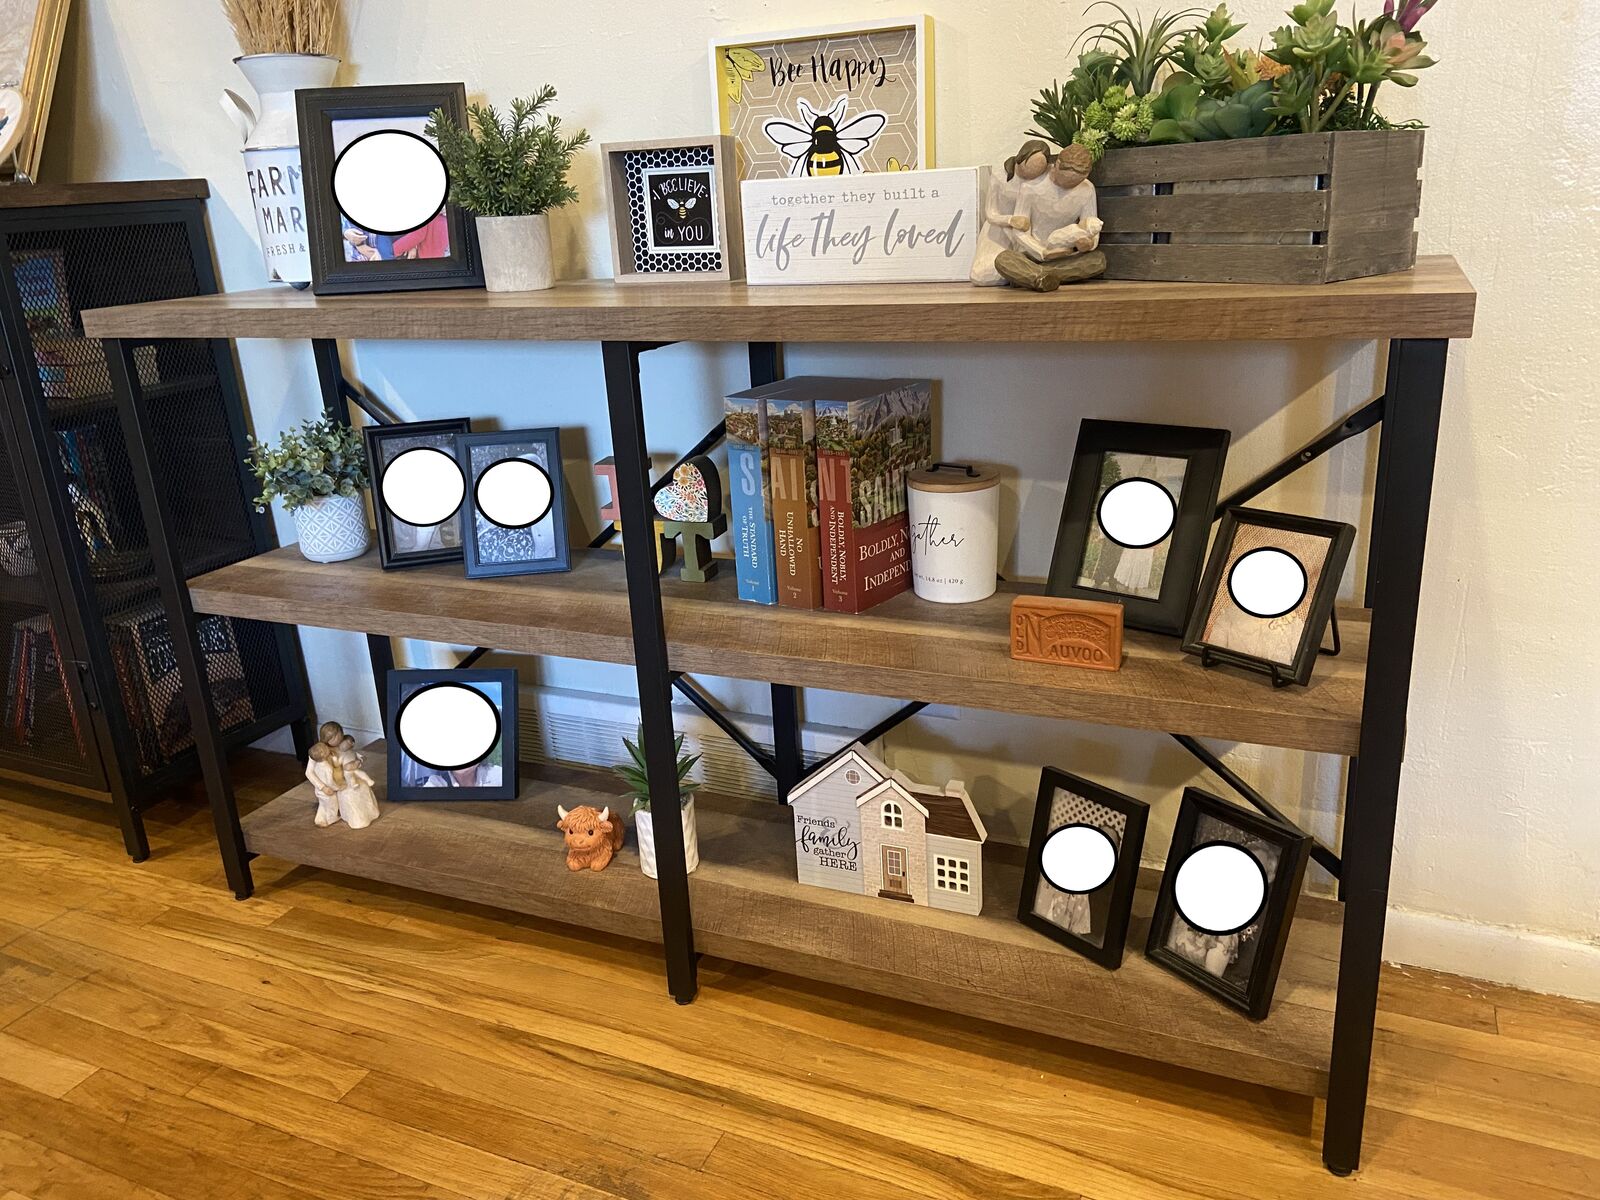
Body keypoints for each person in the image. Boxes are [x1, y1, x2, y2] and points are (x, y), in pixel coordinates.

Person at [971, 138, 1052, 286]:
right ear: (1020, 158)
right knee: (981, 275)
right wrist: (1010, 220)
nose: (1030, 176)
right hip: (999, 230)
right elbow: (990, 212)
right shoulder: (999, 176)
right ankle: (1020, 275)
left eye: (1037, 173)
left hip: (1026, 233)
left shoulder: (1043, 180)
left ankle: (1026, 274)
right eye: (1027, 170)